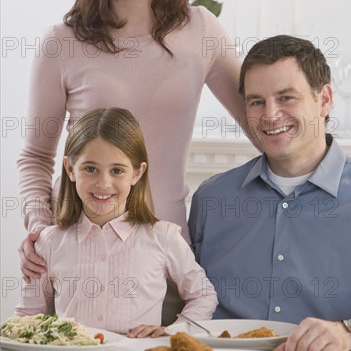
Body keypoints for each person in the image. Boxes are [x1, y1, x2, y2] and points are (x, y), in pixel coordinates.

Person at [17, 0, 246, 323]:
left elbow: (260, 121)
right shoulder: (61, 42)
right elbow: (34, 157)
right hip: (74, 260)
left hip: (163, 264)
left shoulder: (202, 30)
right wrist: (39, 228)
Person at [189, 35, 351, 351]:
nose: (270, 114)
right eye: (256, 101)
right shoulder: (211, 198)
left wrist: (350, 331)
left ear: (324, 100)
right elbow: (181, 295)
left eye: (286, 97)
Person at [16, 108, 217, 337]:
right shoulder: (48, 243)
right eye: (90, 169)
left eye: (117, 170)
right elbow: (28, 315)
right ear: (70, 169)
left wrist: (172, 332)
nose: (103, 183)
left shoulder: (164, 237)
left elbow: (203, 295)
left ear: (137, 173)